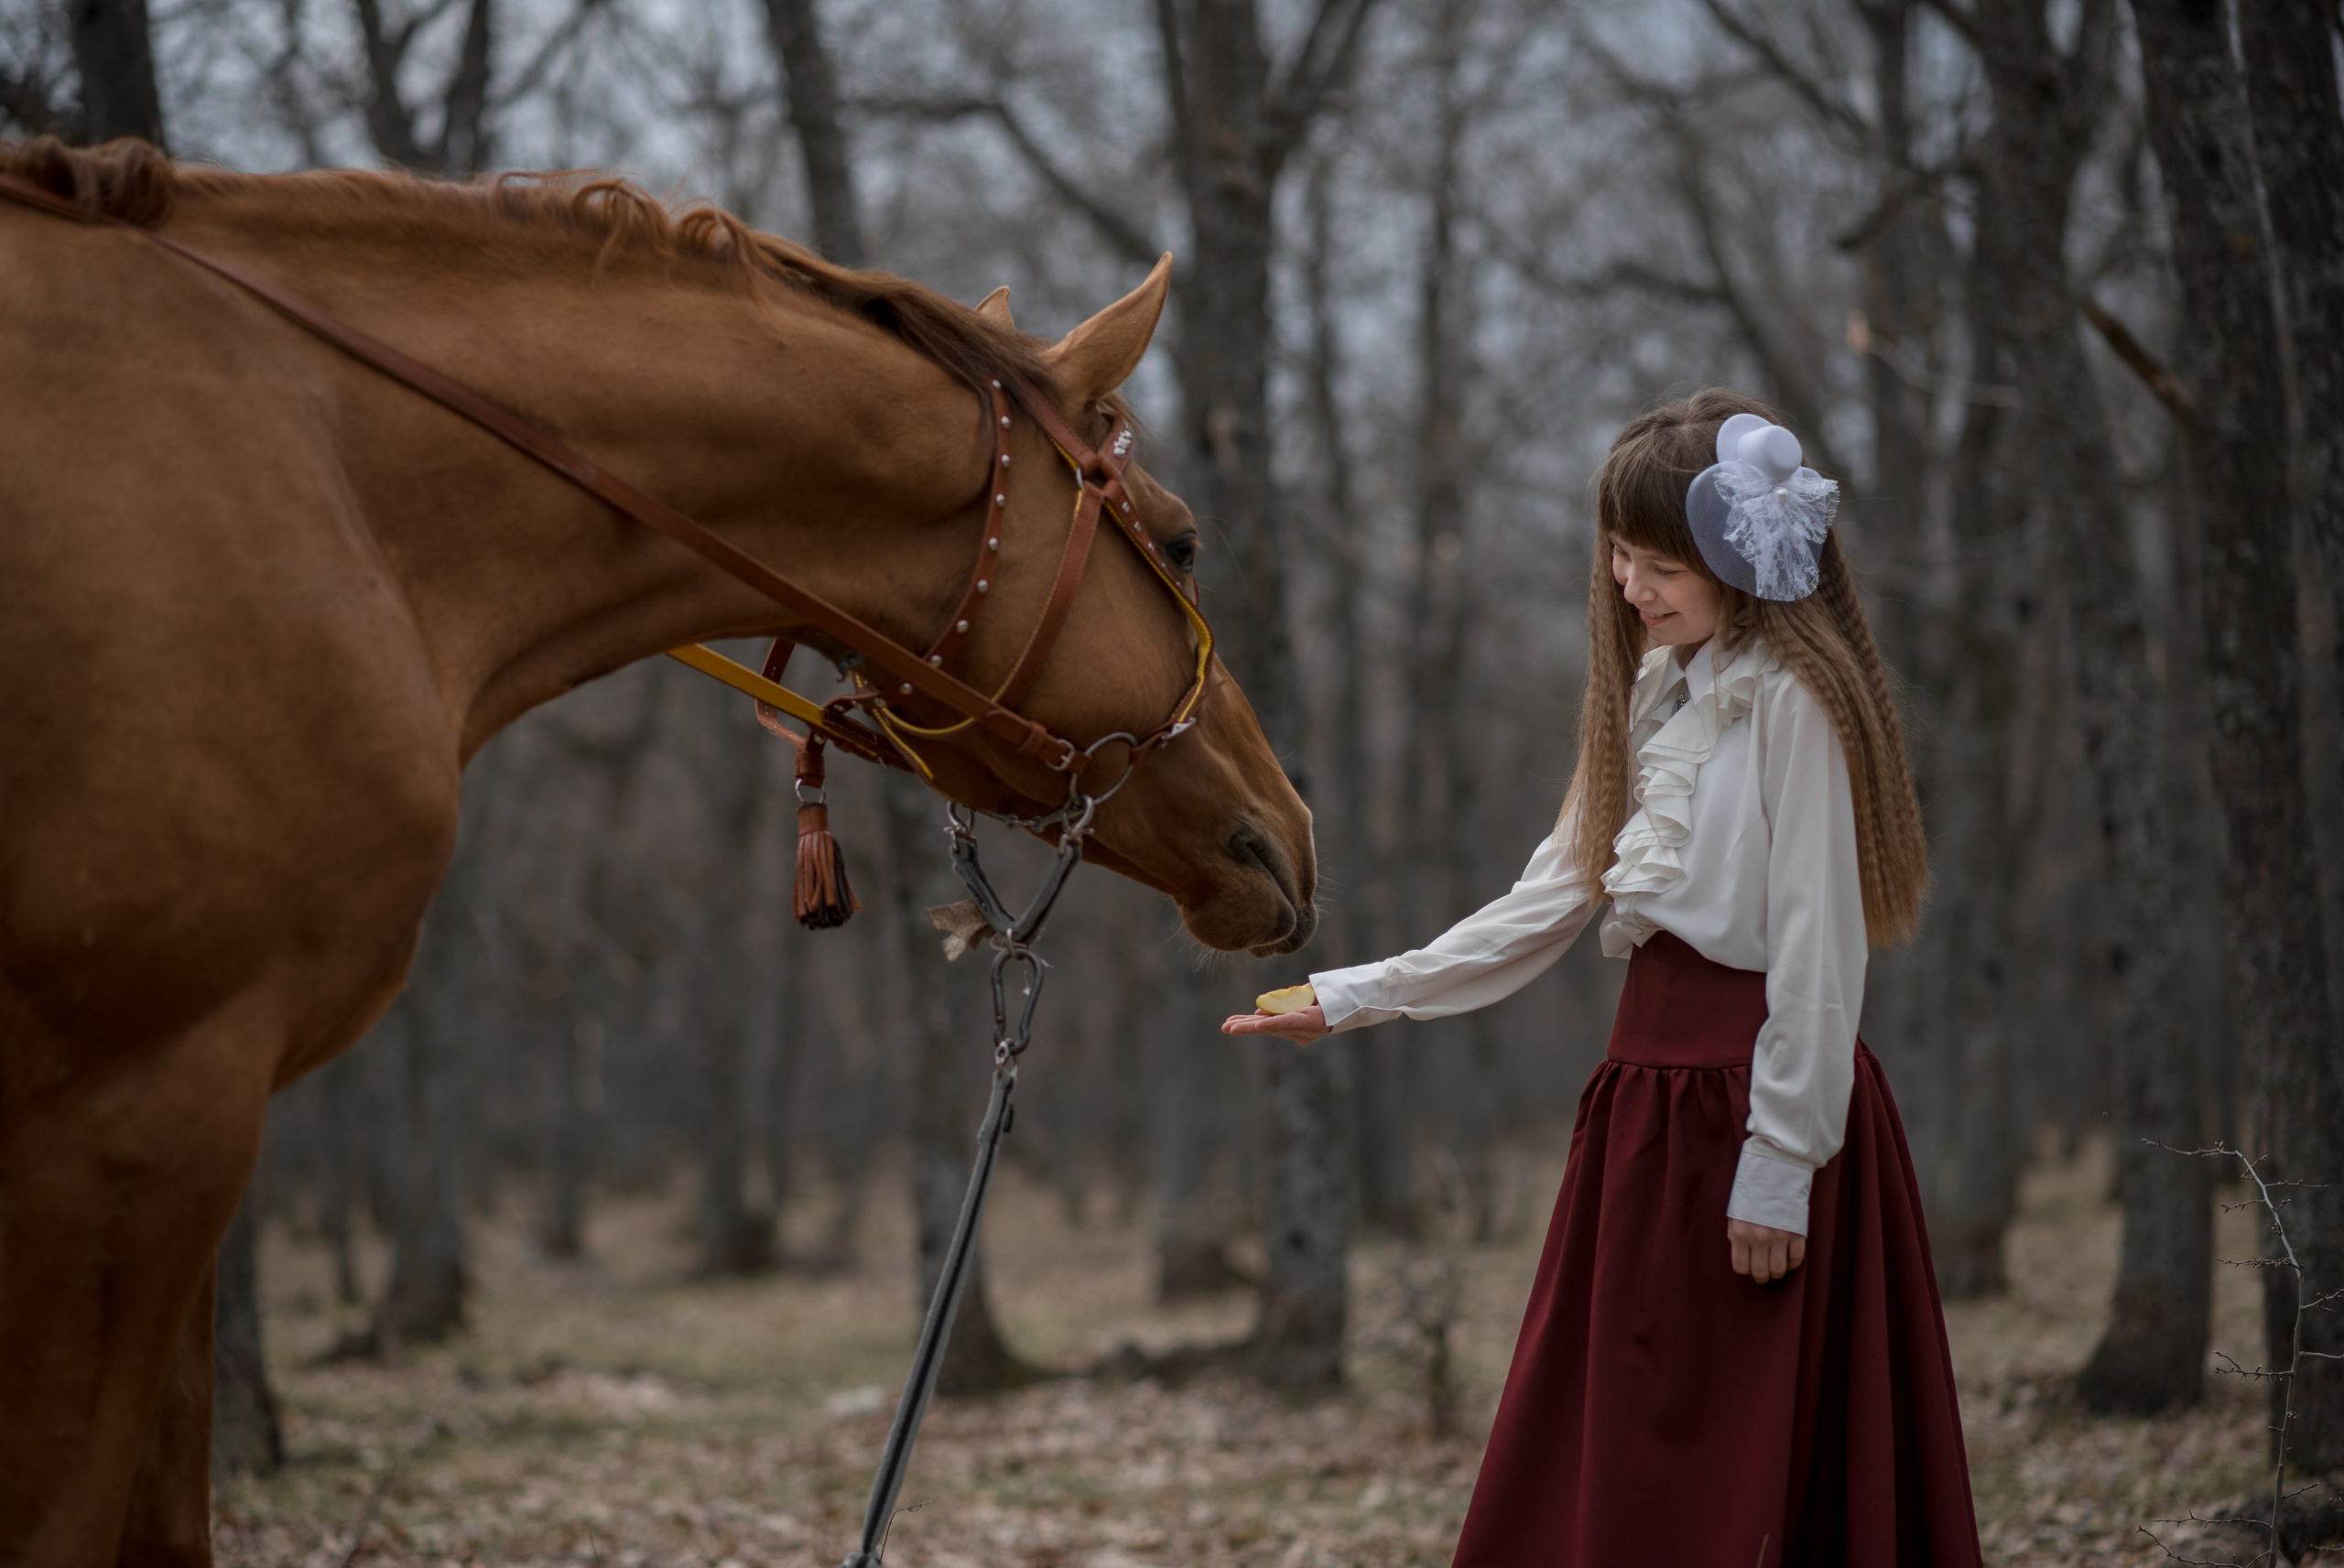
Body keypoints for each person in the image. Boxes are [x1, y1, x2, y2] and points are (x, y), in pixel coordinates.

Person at [1225, 390, 1981, 1567]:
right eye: (1619, 558)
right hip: (1643, 1111)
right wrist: (1352, 995)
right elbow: (1546, 901)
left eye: (1658, 560)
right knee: (1620, 1453)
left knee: (1741, 1468)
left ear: (1737, 552)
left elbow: (1820, 950)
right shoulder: (1651, 693)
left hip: (1756, 1108)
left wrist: (1779, 1165)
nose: (1631, 585)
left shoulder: (1796, 704)